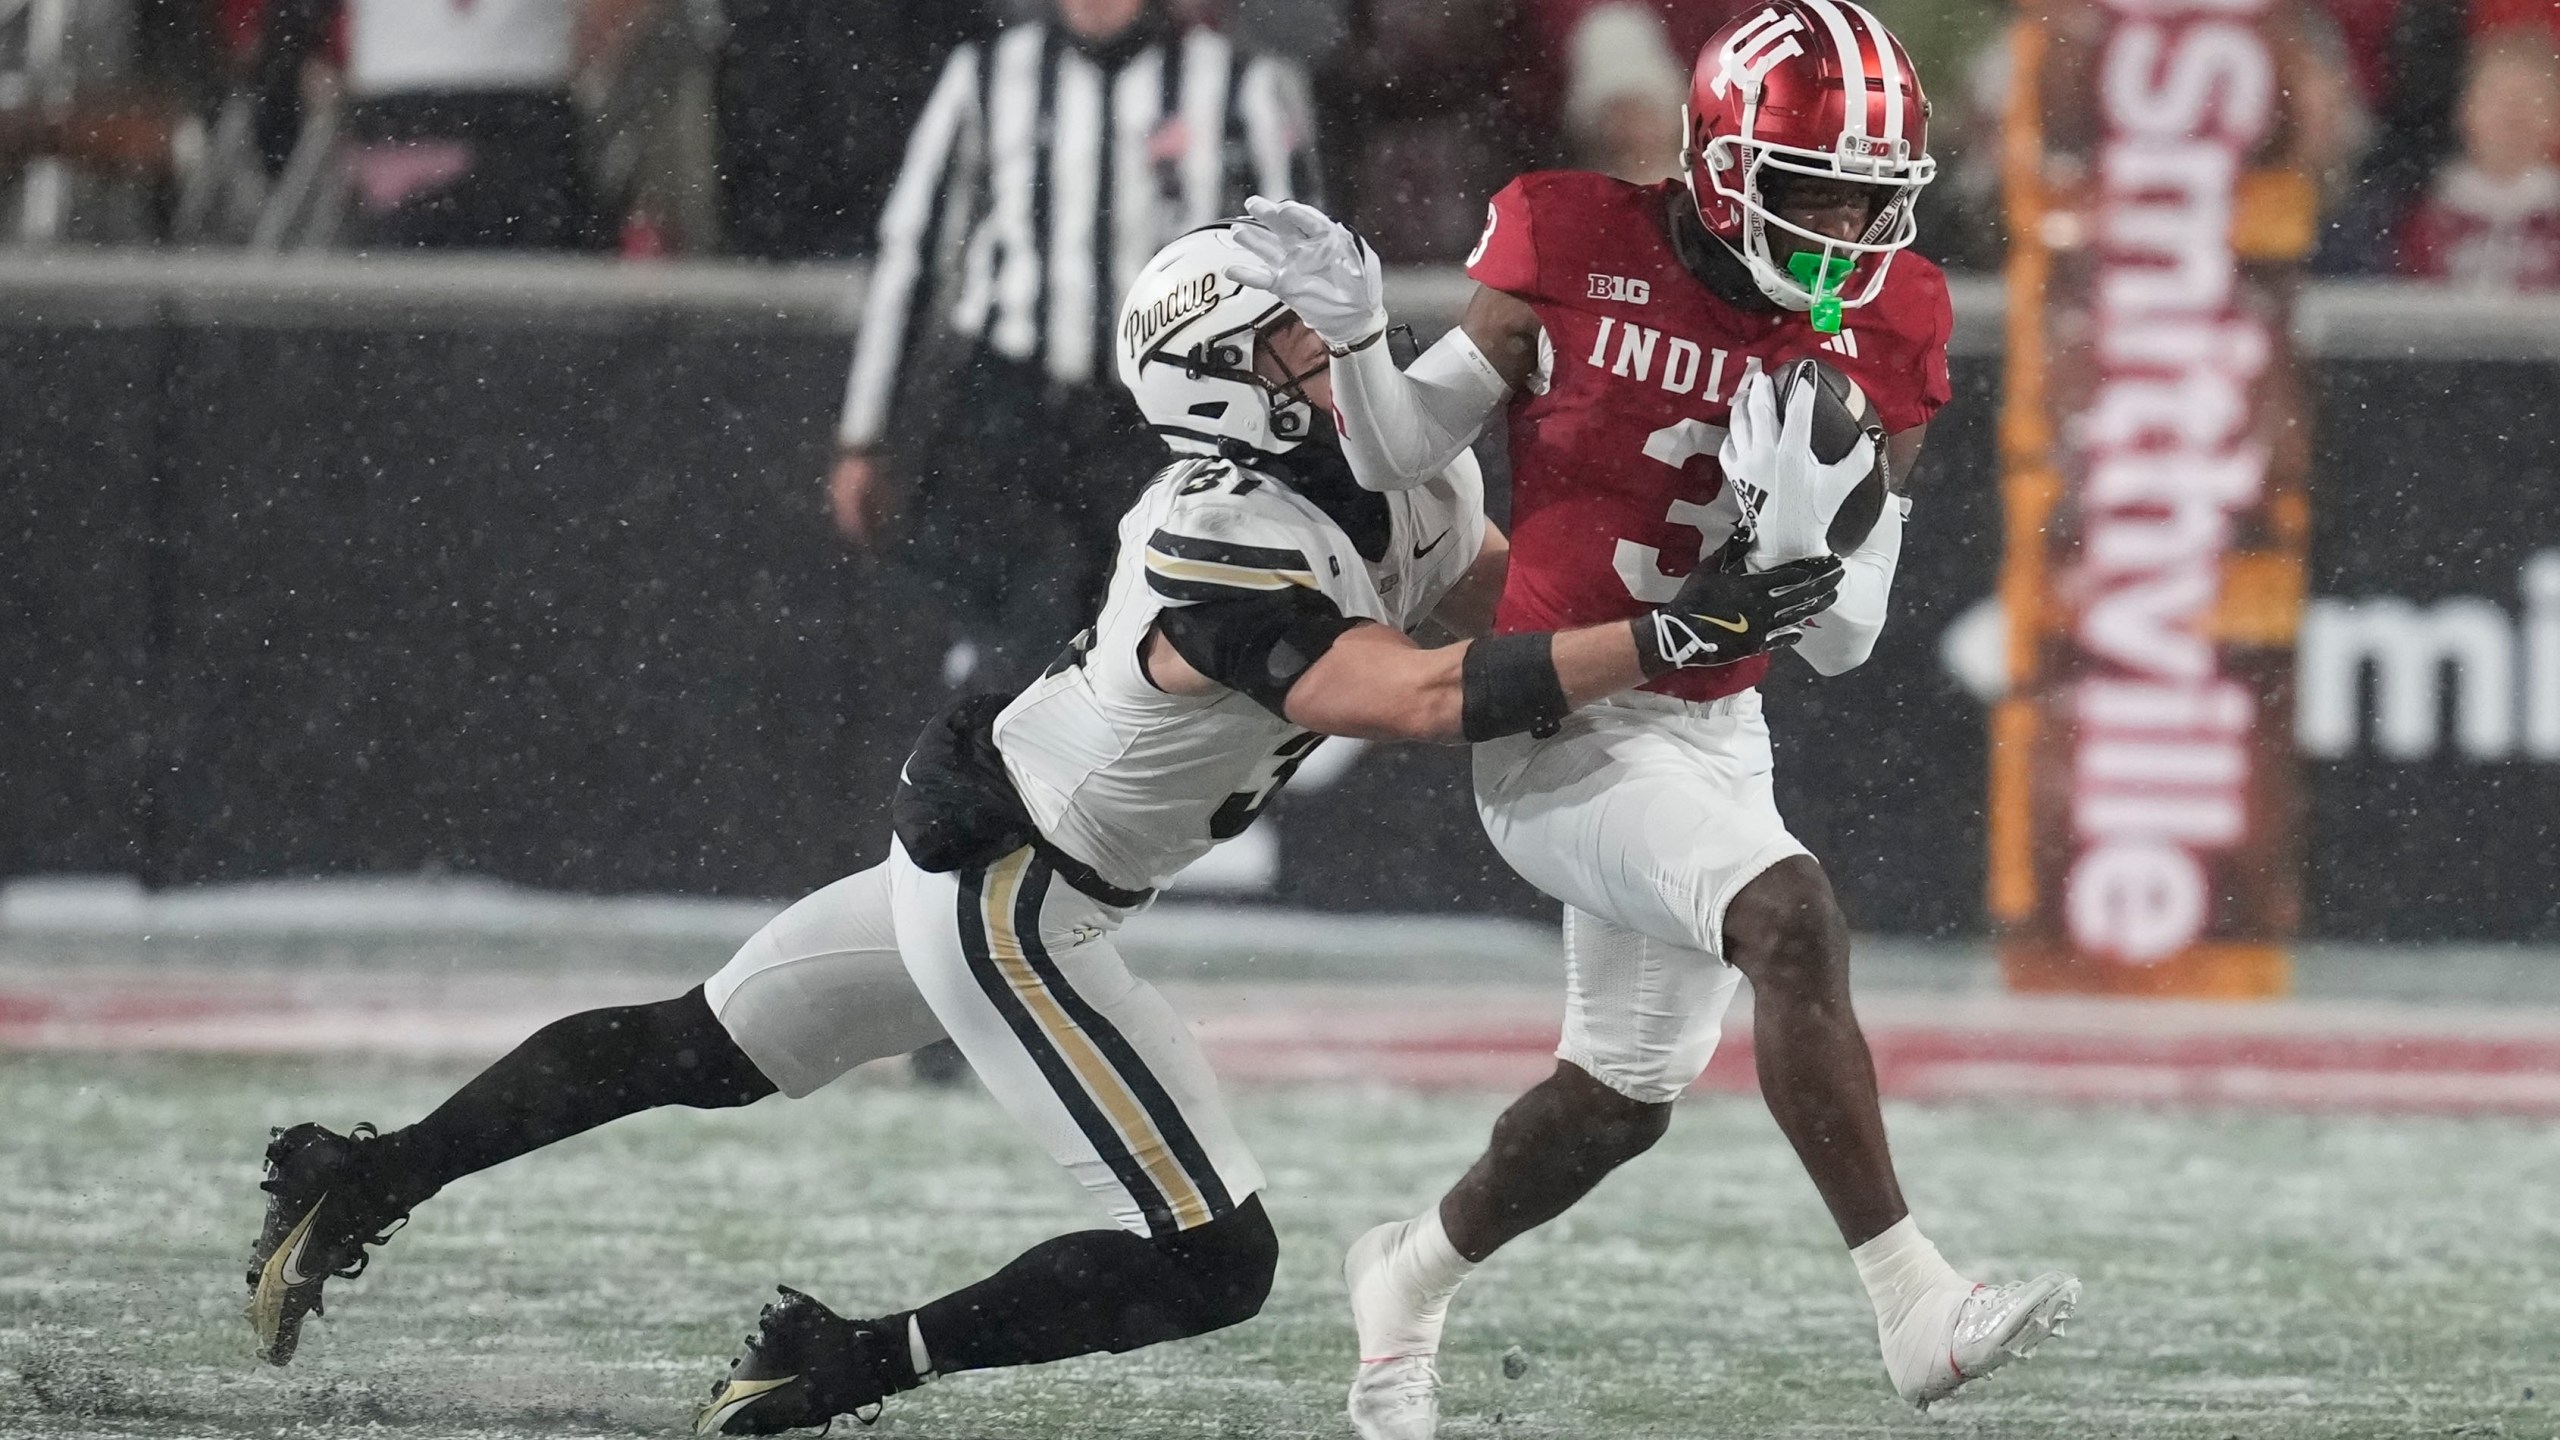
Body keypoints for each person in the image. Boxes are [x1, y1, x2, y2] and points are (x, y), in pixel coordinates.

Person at [240, 221, 1848, 1436]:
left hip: (1010, 841)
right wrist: (1672, 637)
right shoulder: (1220, 527)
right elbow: (1420, 697)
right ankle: (836, 1364)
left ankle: (357, 1177)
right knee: (1215, 1260)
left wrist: (1673, 591)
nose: (1348, 366)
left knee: (700, 1044)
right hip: (1024, 892)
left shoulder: (1388, 483)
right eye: (1304, 349)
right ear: (1229, 381)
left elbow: (1513, 603)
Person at [1219, 2, 2080, 1432]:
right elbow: (1398, 455)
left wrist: (1805, 531)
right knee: (1788, 915)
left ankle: (1406, 1278)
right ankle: (1913, 1302)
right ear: (1718, 163)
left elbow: (1852, 637)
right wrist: (1359, 333)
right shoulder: (1569, 235)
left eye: (1873, 202)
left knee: (1617, 1101)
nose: (1839, 235)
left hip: (1713, 725)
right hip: (1558, 719)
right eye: (1809, 191)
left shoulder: (1897, 311)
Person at [827, 0, 1320, 694]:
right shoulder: (988, 75)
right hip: (1014, 403)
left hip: (1169, 415)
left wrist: (1301, 439)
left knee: (1157, 650)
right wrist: (863, 432)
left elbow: (1305, 273)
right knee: (1012, 644)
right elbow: (910, 255)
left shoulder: (1242, 83)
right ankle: (1004, 766)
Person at [2398, 28, 2560, 291]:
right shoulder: (2424, 218)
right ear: (2465, 112)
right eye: (2498, 97)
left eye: (2531, 98)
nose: (2513, 114)